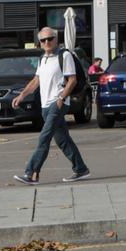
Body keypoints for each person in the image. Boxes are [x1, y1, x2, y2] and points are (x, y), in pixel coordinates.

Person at [9, 29, 91, 184]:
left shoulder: (64, 56)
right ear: (39, 42)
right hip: (45, 105)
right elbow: (36, 81)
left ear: (56, 39)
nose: (47, 42)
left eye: (50, 39)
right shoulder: (42, 59)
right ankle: (81, 169)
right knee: (63, 140)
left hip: (57, 103)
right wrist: (21, 95)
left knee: (44, 138)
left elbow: (72, 80)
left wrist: (61, 98)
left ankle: (31, 173)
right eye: (43, 40)